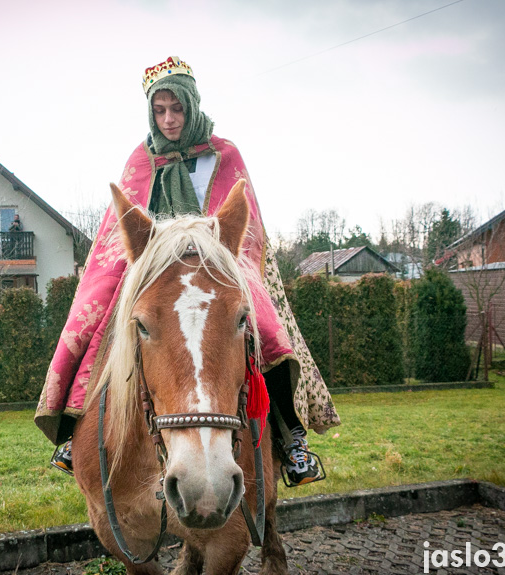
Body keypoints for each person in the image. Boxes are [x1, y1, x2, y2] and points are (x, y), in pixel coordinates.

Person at [35, 56, 340, 486]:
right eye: (159, 111)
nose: (169, 119)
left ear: (191, 106)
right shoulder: (142, 160)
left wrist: (210, 248)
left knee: (264, 329)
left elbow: (246, 226)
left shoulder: (224, 154)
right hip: (157, 268)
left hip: (215, 265)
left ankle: (291, 438)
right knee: (101, 319)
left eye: (176, 109)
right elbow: (115, 234)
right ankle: (75, 427)